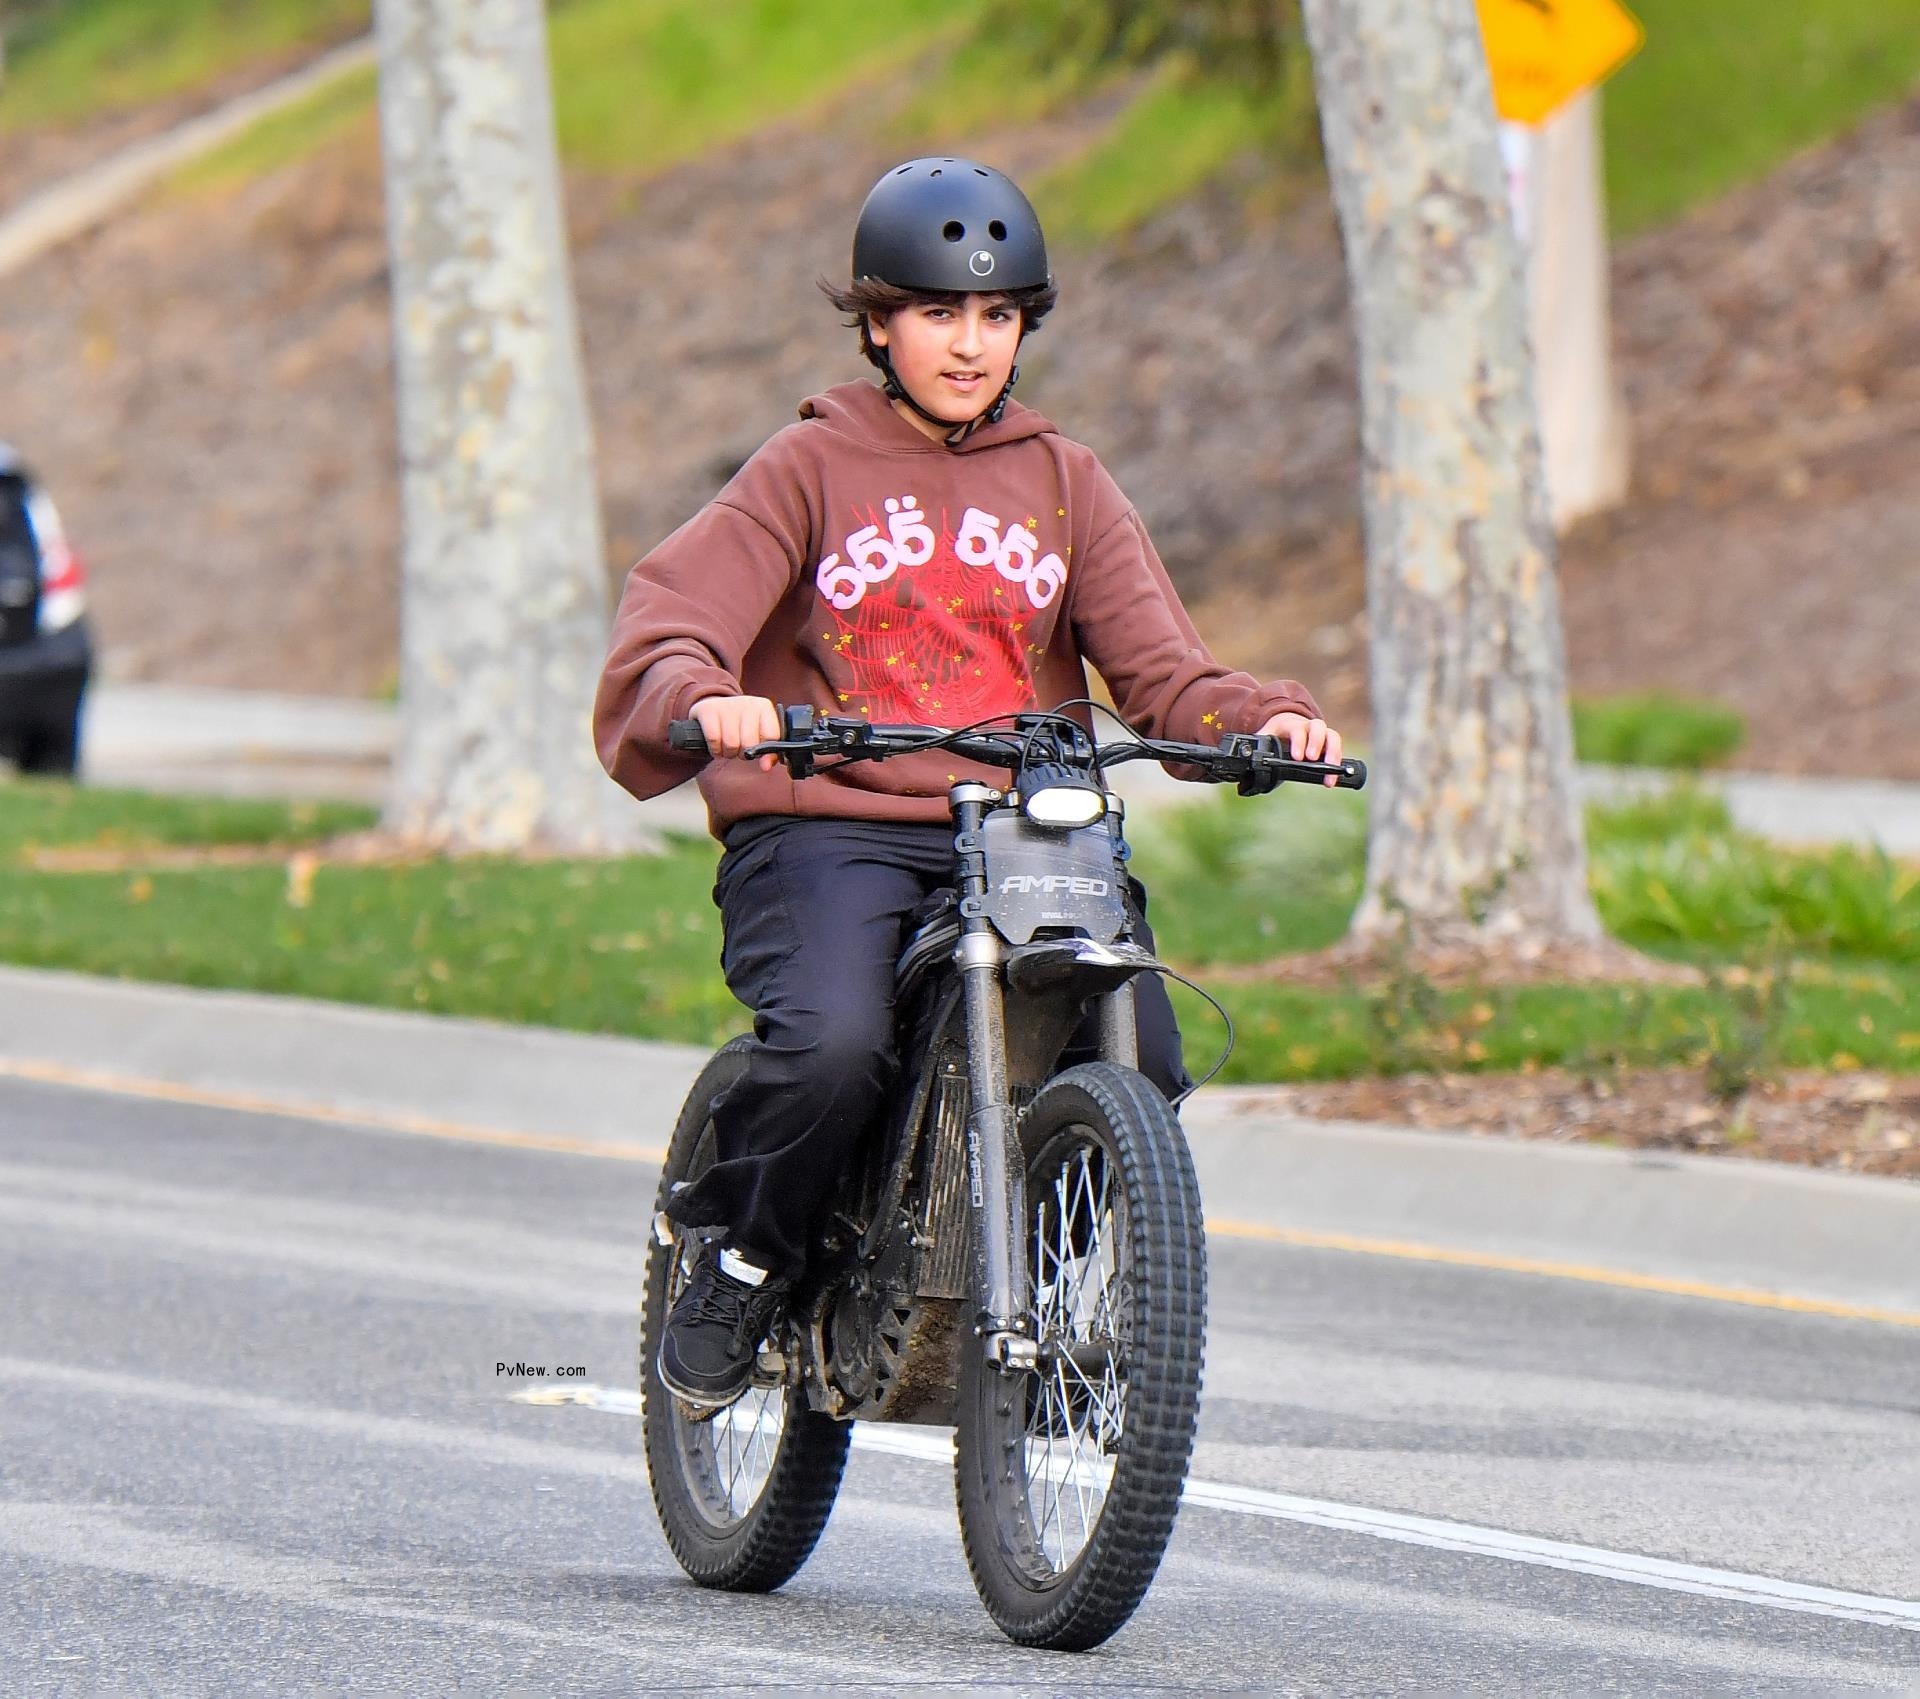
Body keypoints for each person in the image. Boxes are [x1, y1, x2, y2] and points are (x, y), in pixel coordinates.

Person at [594, 156, 1341, 1409]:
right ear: (880, 323)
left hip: (1024, 827)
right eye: (940, 313)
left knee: (1142, 1053)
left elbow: (1165, 674)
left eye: (998, 316)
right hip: (834, 825)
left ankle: (1049, 1294)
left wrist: (1265, 723)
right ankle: (742, 1250)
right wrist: (696, 694)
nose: (970, 342)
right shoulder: (807, 467)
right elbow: (678, 615)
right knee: (836, 1045)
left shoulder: (1066, 481)